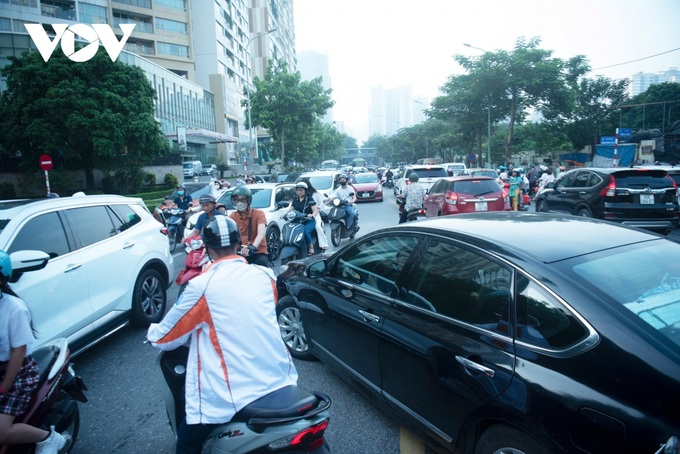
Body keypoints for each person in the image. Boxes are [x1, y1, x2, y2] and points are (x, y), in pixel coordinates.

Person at [147, 217, 298, 454]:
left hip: (234, 392)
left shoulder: (202, 286)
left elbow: (165, 338)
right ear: (239, 244)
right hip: (280, 377)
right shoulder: (265, 275)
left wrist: (152, 331)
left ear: (207, 249)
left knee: (188, 440)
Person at [0, 250, 68, 454]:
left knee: (2, 432)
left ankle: (49, 439)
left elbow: (18, 353)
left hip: (17, 373)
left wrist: (4, 388)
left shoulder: (14, 309)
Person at [228, 185, 270, 266]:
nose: (239, 203)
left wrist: (253, 246)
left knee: (261, 264)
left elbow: (261, 233)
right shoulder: (233, 216)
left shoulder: (259, 213)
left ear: (248, 200)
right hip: (240, 251)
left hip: (257, 251)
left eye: (243, 200)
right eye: (236, 200)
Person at [282, 182, 318, 256]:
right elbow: (290, 210)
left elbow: (315, 210)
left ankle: (310, 246)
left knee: (305, 231)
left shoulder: (309, 199)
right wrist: (285, 215)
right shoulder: (295, 200)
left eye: (301, 190)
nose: (299, 192)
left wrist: (312, 215)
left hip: (308, 220)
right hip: (298, 221)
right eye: (298, 190)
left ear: (305, 191)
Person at [300, 178, 329, 251]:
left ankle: (324, 244)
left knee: (317, 227)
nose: (300, 190)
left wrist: (316, 209)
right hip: (302, 216)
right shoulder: (300, 196)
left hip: (314, 215)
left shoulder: (315, 194)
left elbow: (321, 205)